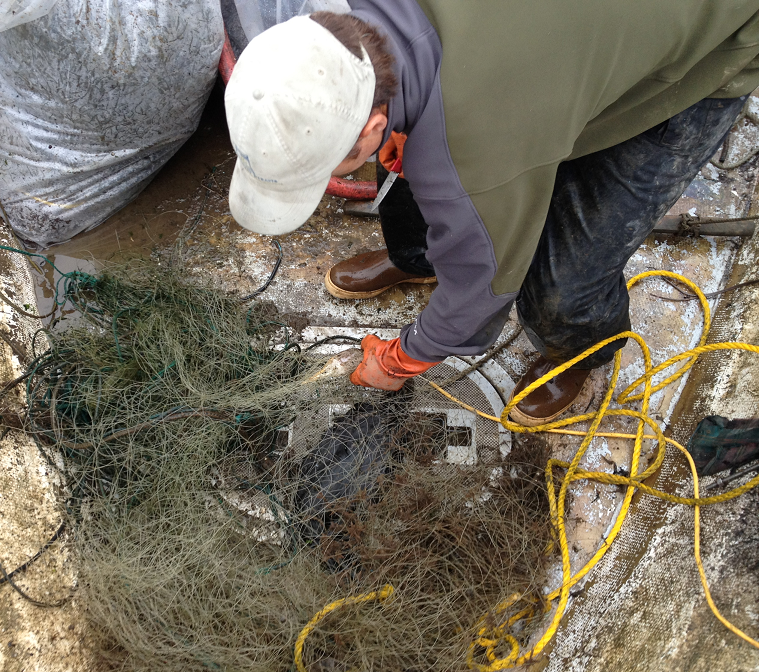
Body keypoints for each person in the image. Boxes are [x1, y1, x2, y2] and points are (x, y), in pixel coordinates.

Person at [224, 0, 759, 425]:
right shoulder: (352, 36)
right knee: (411, 155)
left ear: (367, 127)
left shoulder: (474, 143)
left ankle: (578, 352)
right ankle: (419, 258)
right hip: (554, 48)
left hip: (709, 44)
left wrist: (401, 360)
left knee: (563, 283)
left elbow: (485, 284)